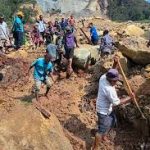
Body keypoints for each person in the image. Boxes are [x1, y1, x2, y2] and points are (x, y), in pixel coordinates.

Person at [93, 65, 135, 149]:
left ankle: (104, 135)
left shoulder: (103, 77)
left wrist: (115, 63)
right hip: (102, 111)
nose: (116, 82)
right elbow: (117, 103)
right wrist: (130, 98)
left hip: (107, 108)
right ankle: (95, 147)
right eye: (115, 81)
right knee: (101, 130)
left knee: (113, 121)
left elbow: (112, 71)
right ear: (110, 80)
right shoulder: (109, 89)